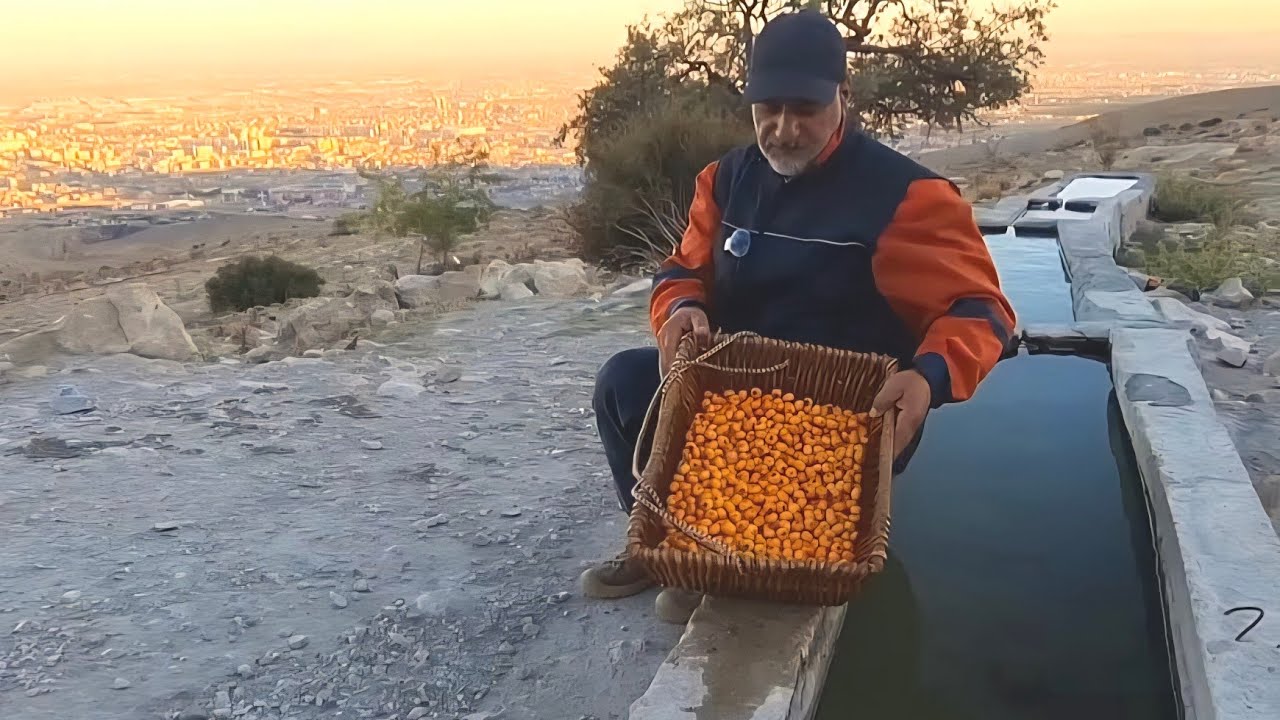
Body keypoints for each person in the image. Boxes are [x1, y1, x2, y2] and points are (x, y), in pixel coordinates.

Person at [581, 9, 1017, 622]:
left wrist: (928, 379)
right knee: (621, 384)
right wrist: (681, 308)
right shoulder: (727, 180)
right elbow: (683, 269)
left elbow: (981, 311)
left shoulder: (906, 199)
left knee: (789, 504)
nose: (783, 130)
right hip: (734, 404)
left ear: (844, 95)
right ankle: (663, 546)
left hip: (849, 419)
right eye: (768, 110)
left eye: (804, 110)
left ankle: (734, 565)